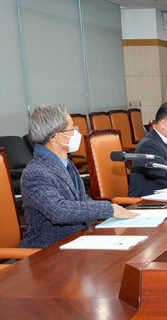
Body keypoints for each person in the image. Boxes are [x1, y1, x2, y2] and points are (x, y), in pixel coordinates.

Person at [19, 104, 136, 248]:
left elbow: (81, 200)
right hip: (48, 251)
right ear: (57, 137)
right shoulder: (35, 172)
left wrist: (110, 212)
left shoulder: (66, 163)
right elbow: (59, 211)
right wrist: (108, 209)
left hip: (76, 241)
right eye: (73, 128)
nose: (77, 133)